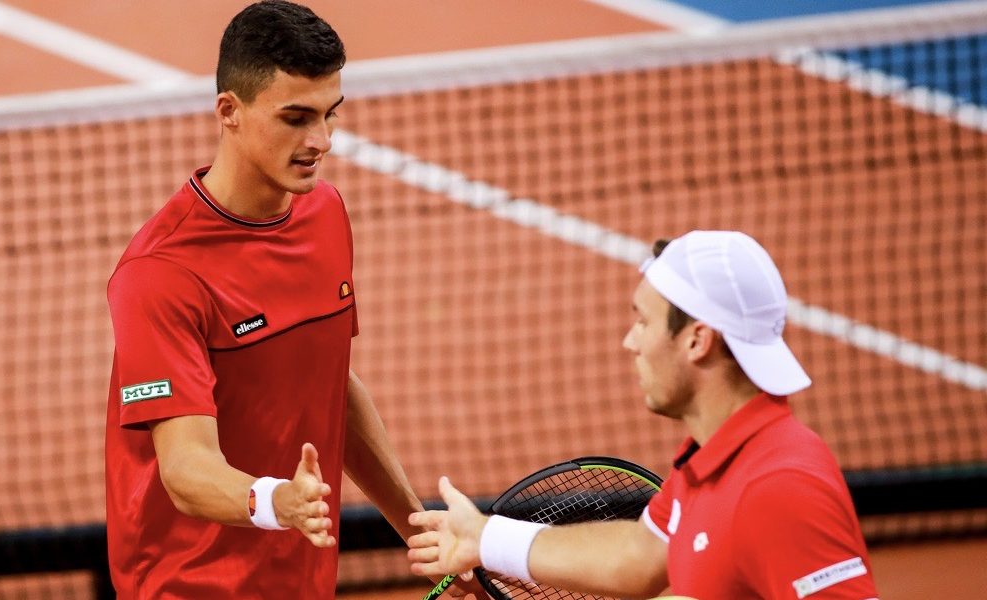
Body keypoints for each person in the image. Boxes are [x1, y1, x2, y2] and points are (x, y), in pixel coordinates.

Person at [103, 2, 476, 598]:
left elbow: (330, 385)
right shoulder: (161, 274)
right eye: (296, 118)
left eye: (330, 115)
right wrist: (279, 501)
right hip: (188, 585)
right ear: (230, 111)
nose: (321, 141)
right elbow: (185, 470)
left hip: (301, 576)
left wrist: (419, 531)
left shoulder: (325, 213)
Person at [407, 231, 880, 599]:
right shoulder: (717, 457)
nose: (629, 342)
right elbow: (643, 554)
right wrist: (485, 539)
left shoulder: (779, 487)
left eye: (643, 322)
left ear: (698, 340)